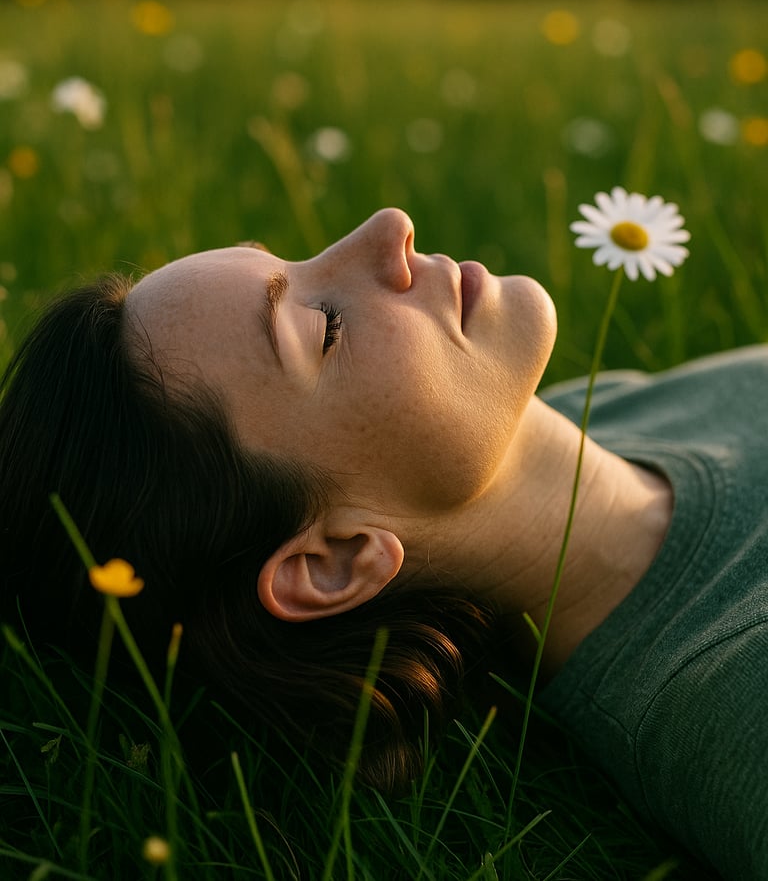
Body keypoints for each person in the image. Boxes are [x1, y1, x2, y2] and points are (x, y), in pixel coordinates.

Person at [0, 207, 765, 879]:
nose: (388, 227)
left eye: (293, 257)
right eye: (325, 326)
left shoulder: (619, 409)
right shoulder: (737, 708)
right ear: (333, 562)